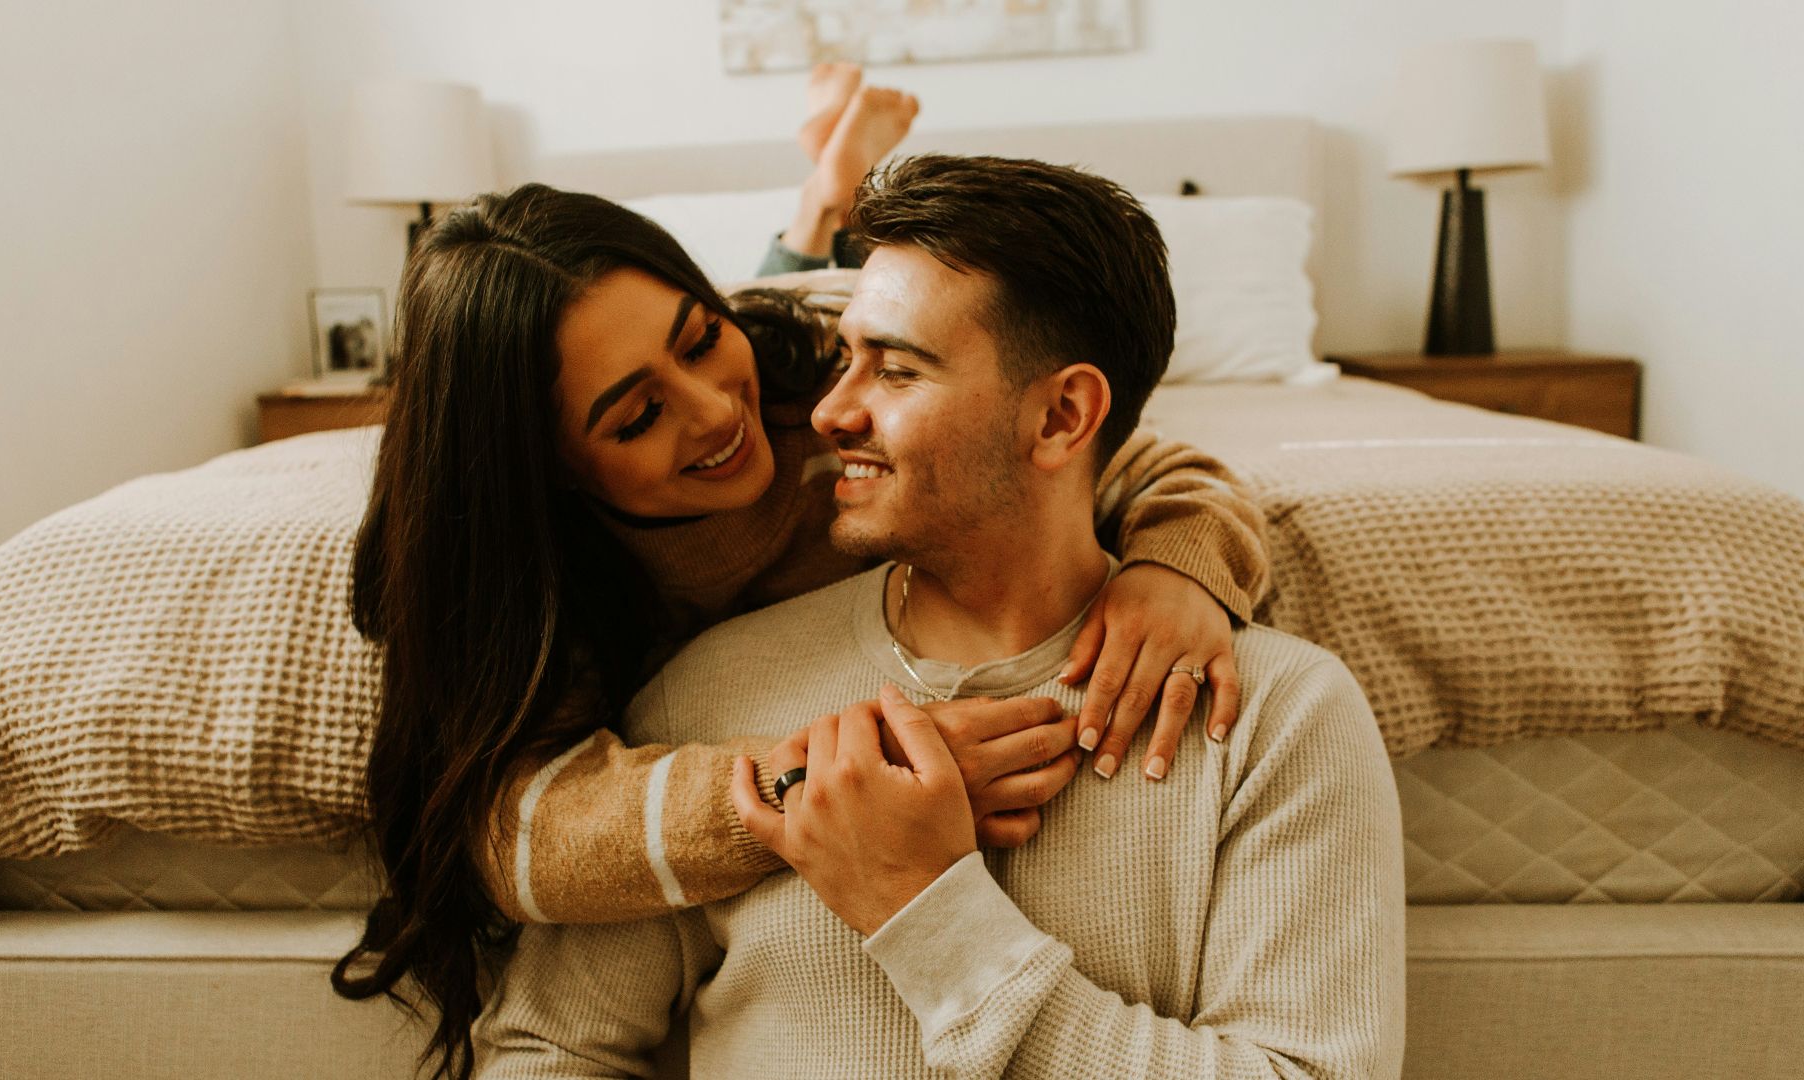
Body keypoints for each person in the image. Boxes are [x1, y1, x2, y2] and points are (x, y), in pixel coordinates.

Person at [332, 70, 1274, 1080]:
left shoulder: (814, 381)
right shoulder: (548, 580)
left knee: (791, 302)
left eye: (699, 338)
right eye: (637, 416)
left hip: (791, 320)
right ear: (548, 470)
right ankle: (827, 186)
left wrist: (1177, 568)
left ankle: (825, 204)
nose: (714, 413)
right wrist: (816, 789)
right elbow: (521, 834)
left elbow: (1123, 460)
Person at [471, 155, 1405, 1078]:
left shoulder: (1279, 713)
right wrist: (786, 795)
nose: (827, 414)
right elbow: (546, 1048)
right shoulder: (697, 698)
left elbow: (1160, 470)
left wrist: (923, 907)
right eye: (846, 358)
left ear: (1061, 418)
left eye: (894, 371)